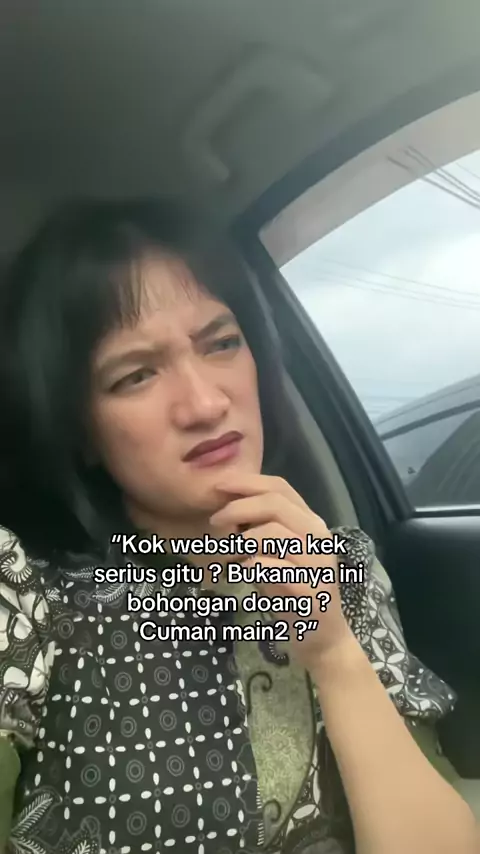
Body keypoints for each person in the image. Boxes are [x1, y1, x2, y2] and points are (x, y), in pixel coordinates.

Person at [0, 198, 476, 854]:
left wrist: (335, 651)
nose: (204, 403)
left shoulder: (341, 566)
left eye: (222, 343)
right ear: (81, 434)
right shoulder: (25, 592)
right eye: (135, 375)